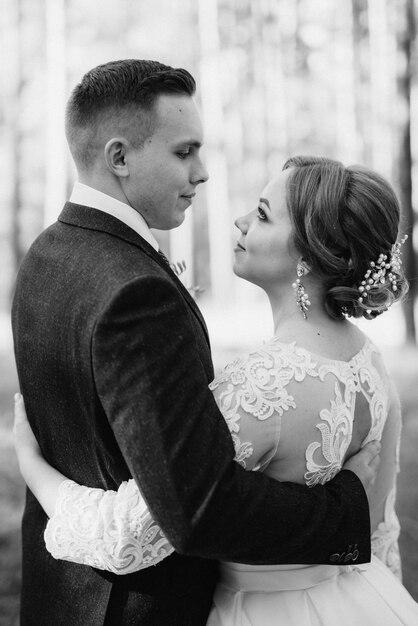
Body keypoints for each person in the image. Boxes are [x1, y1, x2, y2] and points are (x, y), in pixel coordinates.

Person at [11, 60, 379, 626]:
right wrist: (347, 511)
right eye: (185, 152)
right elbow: (198, 508)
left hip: (62, 594)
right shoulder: (136, 293)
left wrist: (38, 474)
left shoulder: (45, 255)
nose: (203, 173)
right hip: (134, 608)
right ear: (119, 157)